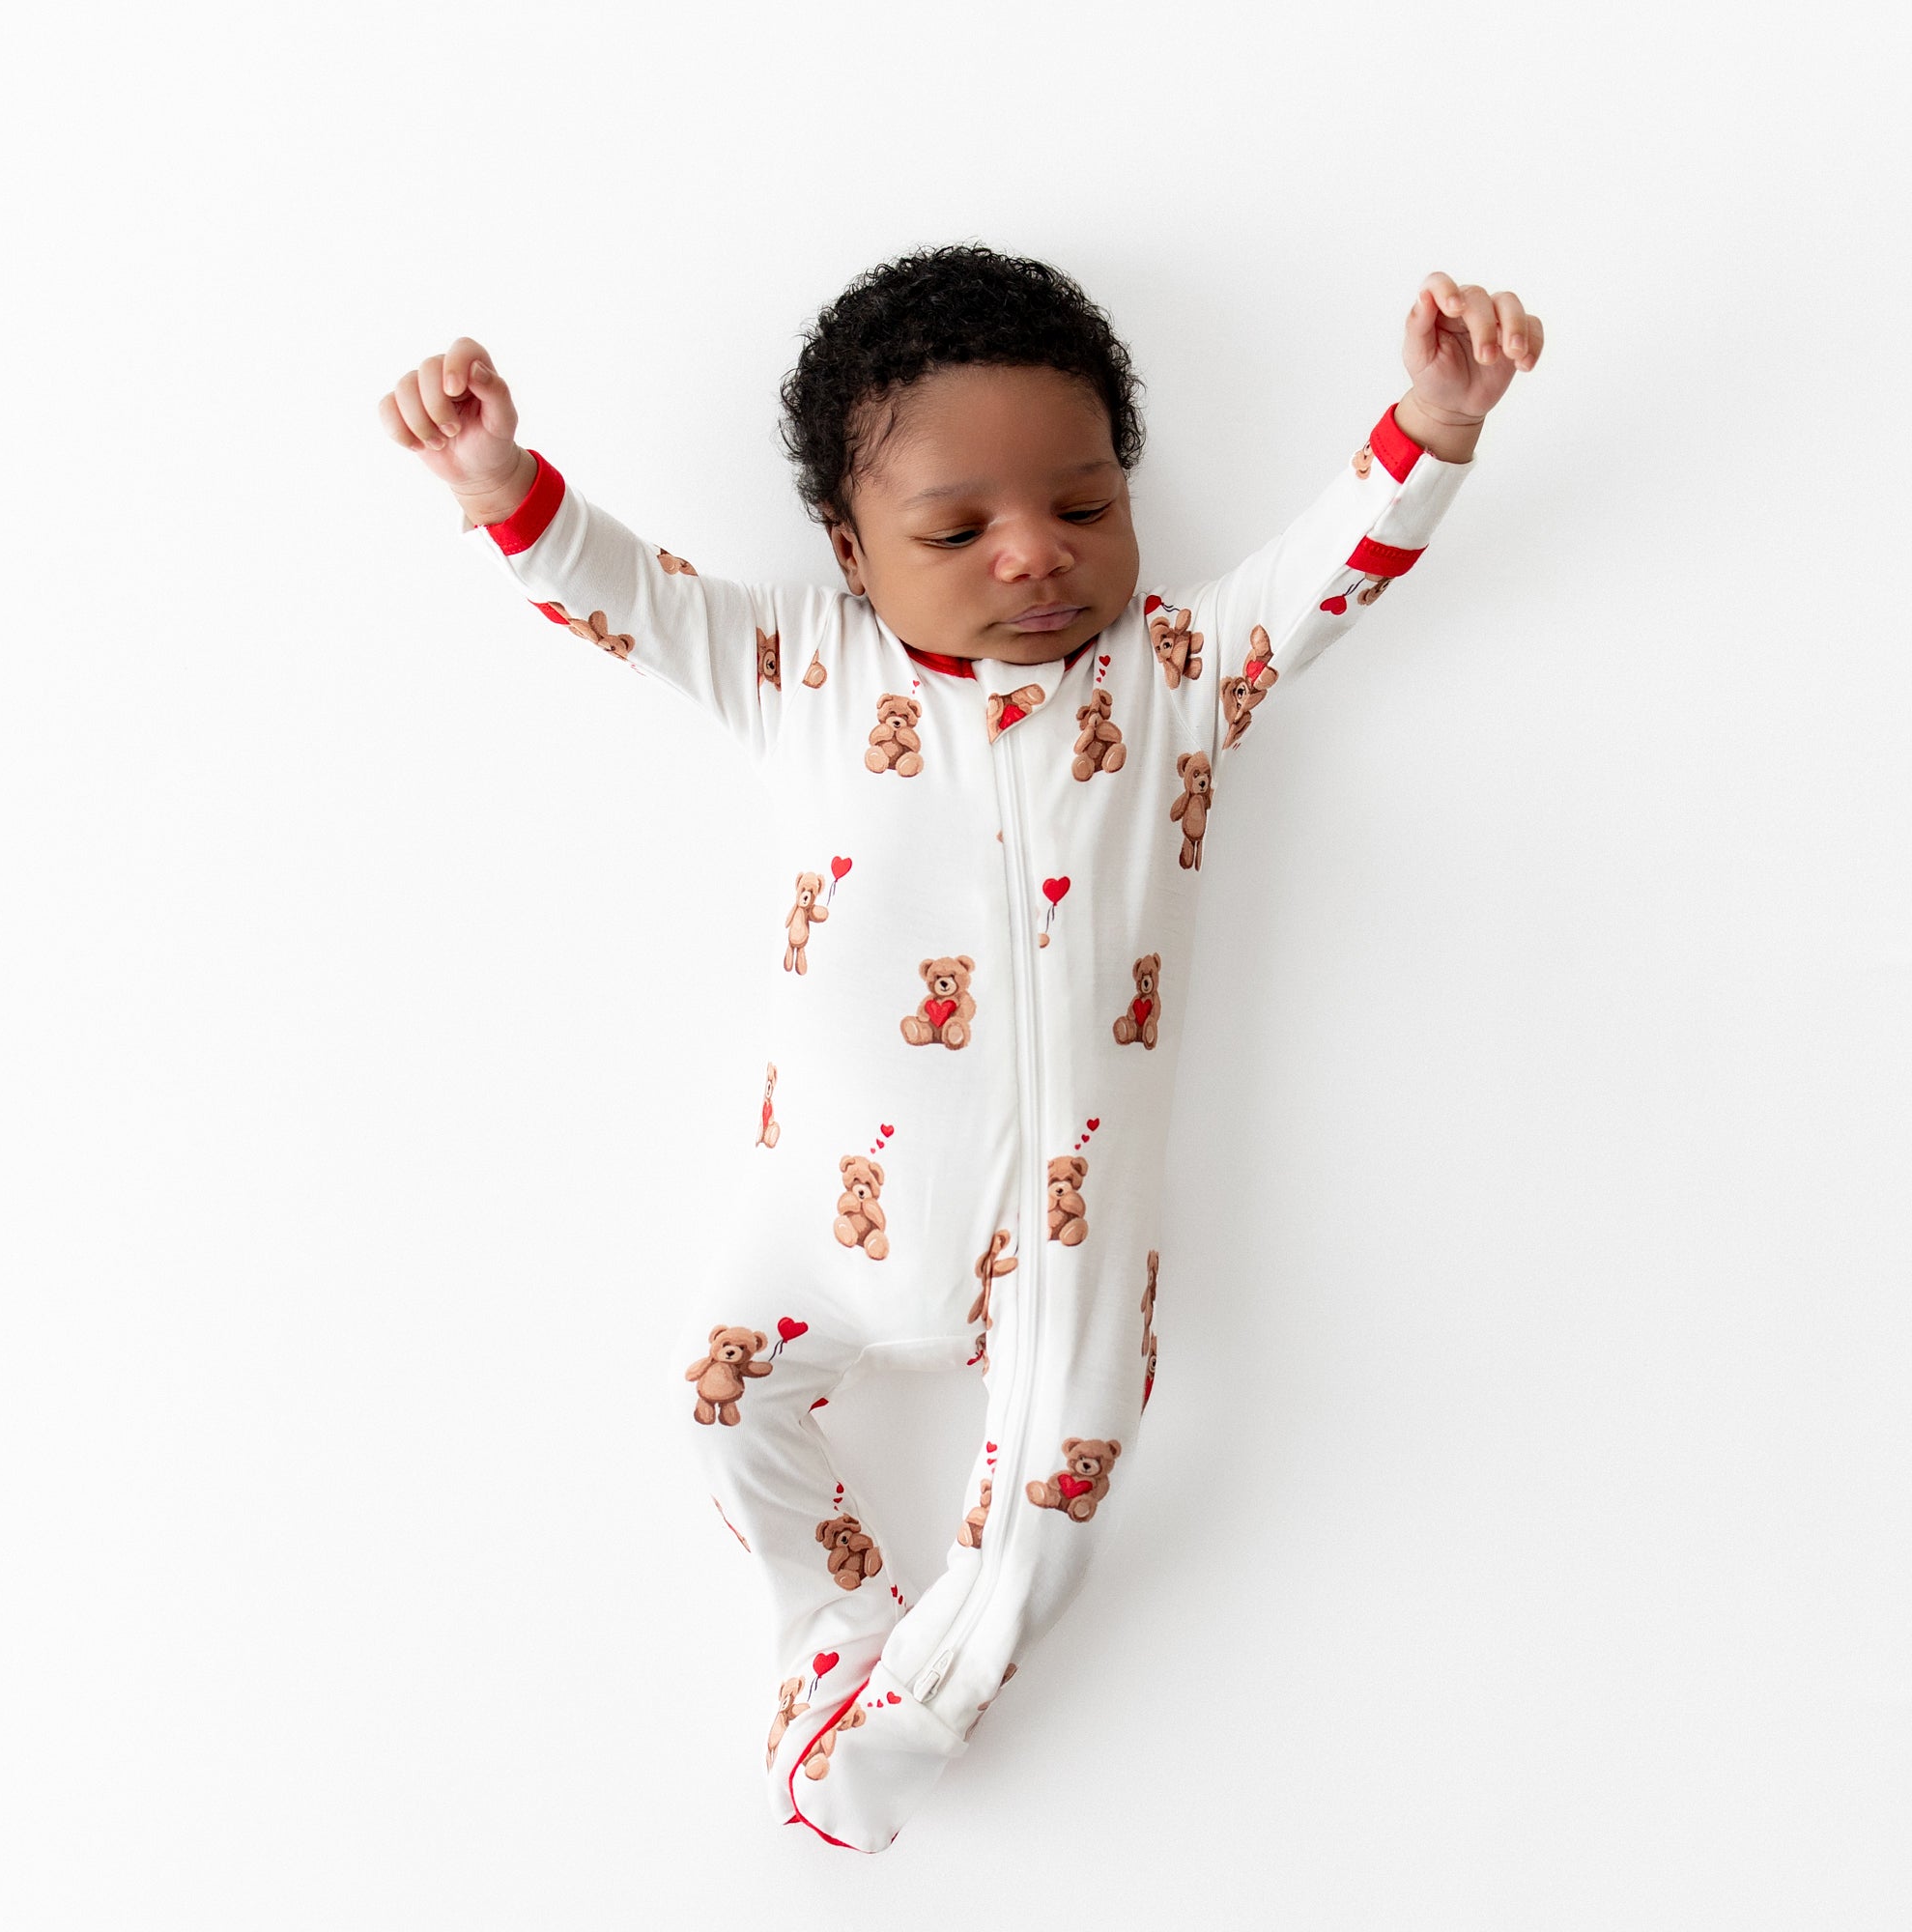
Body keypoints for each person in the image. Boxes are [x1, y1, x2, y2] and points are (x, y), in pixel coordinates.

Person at [378, 244, 1543, 1852]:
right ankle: (839, 1637)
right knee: (716, 1401)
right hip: (821, 1208)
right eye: (954, 530)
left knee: (1043, 1518)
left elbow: (1325, 570)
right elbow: (626, 600)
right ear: (851, 553)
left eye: (1083, 507)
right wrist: (496, 479)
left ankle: (884, 1742)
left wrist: (1432, 419)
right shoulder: (804, 670)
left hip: (1056, 1243)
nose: (1031, 560)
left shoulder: (1175, 680)